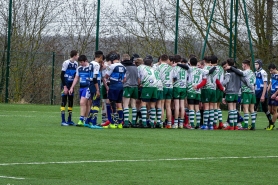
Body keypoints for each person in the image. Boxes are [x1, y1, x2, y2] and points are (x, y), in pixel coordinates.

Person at [222, 59, 250, 130]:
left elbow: (226, 82)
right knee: (234, 109)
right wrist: (250, 85)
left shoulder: (228, 72)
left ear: (228, 64)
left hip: (230, 91)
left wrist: (220, 83)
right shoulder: (238, 72)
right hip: (237, 92)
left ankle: (231, 126)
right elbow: (244, 80)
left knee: (231, 109)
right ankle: (234, 125)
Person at [103, 52, 126, 129]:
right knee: (119, 104)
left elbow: (106, 76)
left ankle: (113, 123)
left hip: (113, 86)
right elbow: (125, 79)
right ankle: (120, 123)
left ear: (112, 60)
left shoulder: (112, 66)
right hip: (121, 85)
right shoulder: (123, 67)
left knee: (112, 103)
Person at [83, 51, 103, 128]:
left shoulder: (91, 63)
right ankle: (94, 123)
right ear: (100, 57)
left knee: (93, 102)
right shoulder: (96, 64)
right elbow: (95, 77)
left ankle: (88, 121)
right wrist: (97, 89)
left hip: (91, 84)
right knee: (96, 103)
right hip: (95, 84)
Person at [69, 55, 90, 126]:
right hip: (81, 87)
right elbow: (76, 78)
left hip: (88, 87)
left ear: (85, 61)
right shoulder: (79, 68)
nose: (80, 63)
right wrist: (72, 87)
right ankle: (86, 119)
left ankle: (81, 120)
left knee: (82, 102)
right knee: (86, 104)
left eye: (81, 62)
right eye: (80, 62)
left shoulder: (90, 68)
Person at [138, 56, 158, 128]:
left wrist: (139, 84)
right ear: (151, 63)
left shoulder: (141, 67)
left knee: (143, 103)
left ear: (144, 62)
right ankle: (152, 123)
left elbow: (139, 78)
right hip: (155, 87)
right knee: (152, 105)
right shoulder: (154, 69)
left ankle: (144, 122)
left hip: (147, 86)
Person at [60, 50, 79, 126]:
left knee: (71, 101)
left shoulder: (76, 64)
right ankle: (63, 120)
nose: (78, 56)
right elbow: (62, 75)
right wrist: (64, 86)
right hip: (65, 84)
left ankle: (69, 120)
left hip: (71, 85)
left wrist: (72, 87)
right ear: (74, 56)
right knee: (64, 101)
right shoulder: (66, 62)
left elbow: (75, 76)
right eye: (77, 55)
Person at [157, 54, 174, 129]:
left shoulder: (158, 67)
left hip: (162, 87)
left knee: (161, 105)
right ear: (167, 60)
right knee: (168, 106)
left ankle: (161, 122)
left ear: (160, 59)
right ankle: (169, 123)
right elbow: (174, 78)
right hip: (170, 87)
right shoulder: (171, 68)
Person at [122, 54, 138, 128]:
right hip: (135, 86)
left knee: (125, 104)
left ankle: (126, 122)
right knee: (133, 104)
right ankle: (134, 122)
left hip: (127, 86)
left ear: (123, 59)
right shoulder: (135, 67)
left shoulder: (124, 66)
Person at [254, 59, 272, 126]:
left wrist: (263, 95)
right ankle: (253, 124)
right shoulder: (255, 72)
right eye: (255, 64)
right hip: (256, 93)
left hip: (262, 93)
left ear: (260, 65)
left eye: (257, 64)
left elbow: (265, 84)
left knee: (265, 109)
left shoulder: (263, 72)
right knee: (254, 108)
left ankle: (271, 123)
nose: (255, 65)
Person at [172, 55, 187, 128]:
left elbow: (174, 77)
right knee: (182, 105)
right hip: (184, 87)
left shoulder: (175, 67)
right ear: (180, 60)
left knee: (176, 105)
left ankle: (175, 123)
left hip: (177, 87)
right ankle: (181, 123)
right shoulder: (185, 67)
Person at [266, 64, 278, 130]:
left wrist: (275, 94)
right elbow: (270, 83)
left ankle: (272, 125)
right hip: (271, 93)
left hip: (276, 94)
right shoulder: (272, 75)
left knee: (274, 110)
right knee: (270, 111)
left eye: (271, 70)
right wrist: (266, 91)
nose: (270, 72)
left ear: (275, 68)